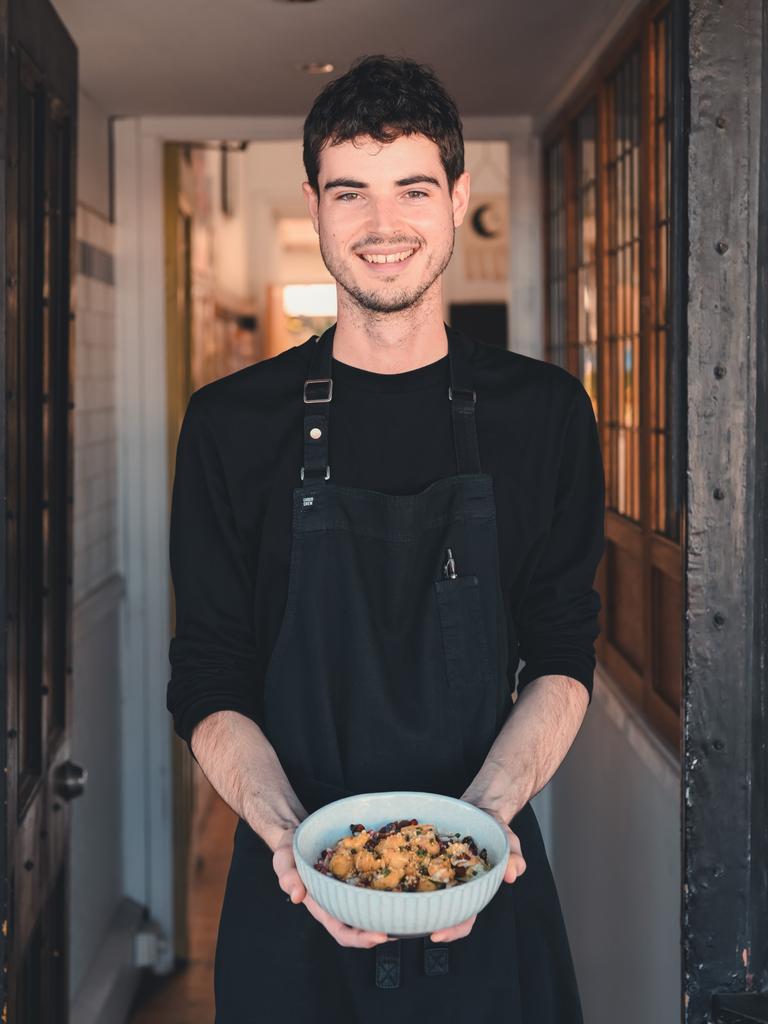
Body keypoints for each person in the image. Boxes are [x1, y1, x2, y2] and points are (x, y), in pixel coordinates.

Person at [166, 54, 604, 1023]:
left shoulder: (544, 416)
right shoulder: (233, 424)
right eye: (349, 192)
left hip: (486, 895)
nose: (382, 225)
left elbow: (564, 651)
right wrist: (291, 841)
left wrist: (481, 826)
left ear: (458, 198)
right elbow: (206, 672)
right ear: (317, 207)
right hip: (289, 908)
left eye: (412, 188)